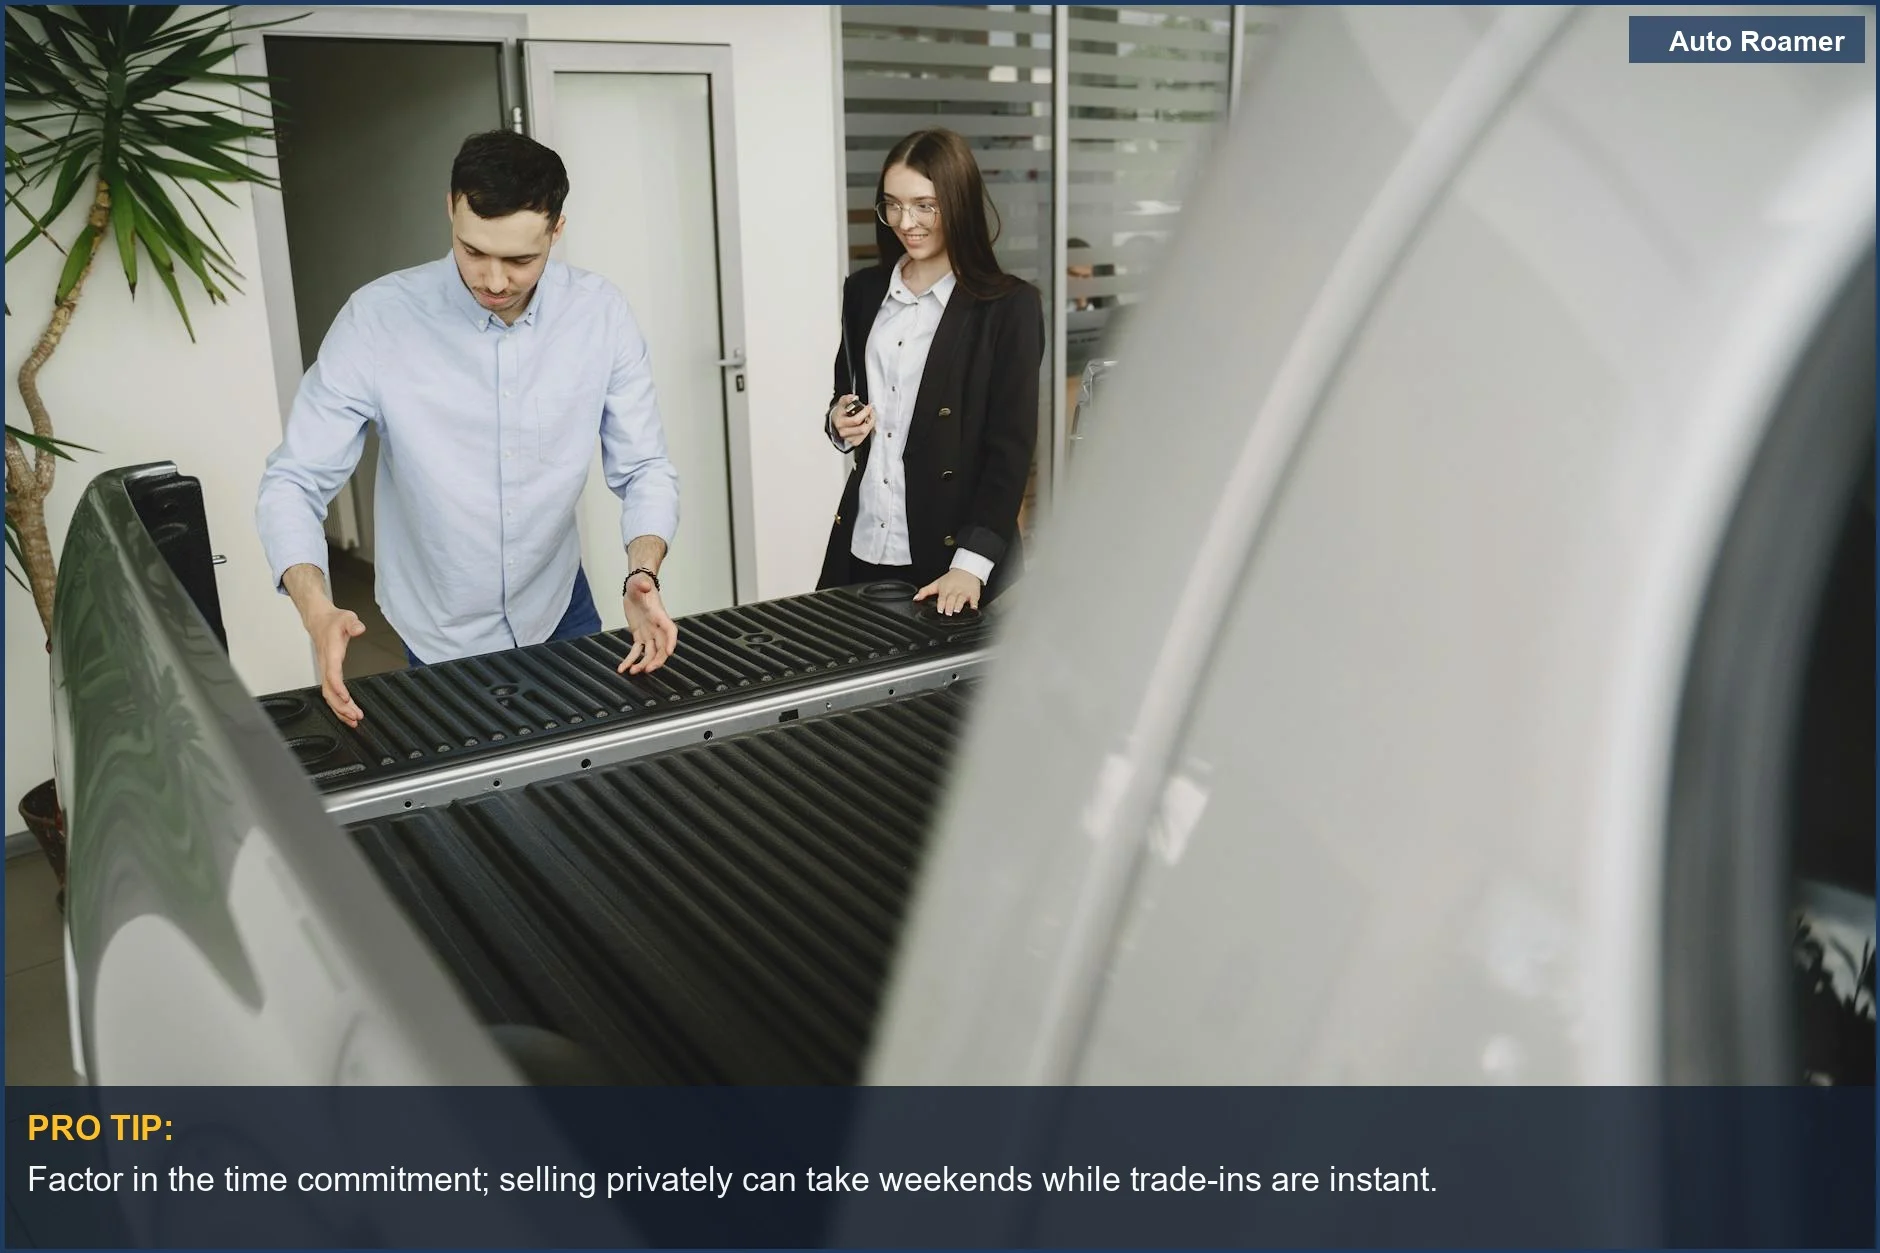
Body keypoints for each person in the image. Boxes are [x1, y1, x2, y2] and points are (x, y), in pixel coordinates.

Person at [256, 130, 682, 729]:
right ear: (449, 207)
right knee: (480, 801)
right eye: (473, 250)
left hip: (559, 604)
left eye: (520, 260)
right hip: (440, 630)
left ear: (557, 230)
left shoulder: (600, 314)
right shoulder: (377, 320)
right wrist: (315, 608)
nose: (494, 280)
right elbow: (294, 480)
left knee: (585, 783)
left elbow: (644, 469)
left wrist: (643, 572)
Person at [818, 128, 1044, 615]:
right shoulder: (863, 291)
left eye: (925, 205)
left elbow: (1010, 448)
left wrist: (971, 562)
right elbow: (846, 392)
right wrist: (840, 423)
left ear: (958, 204)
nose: (906, 222)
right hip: (862, 543)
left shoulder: (1009, 307)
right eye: (893, 205)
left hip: (953, 560)